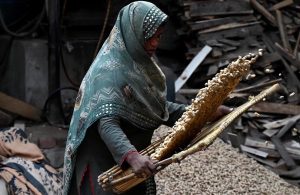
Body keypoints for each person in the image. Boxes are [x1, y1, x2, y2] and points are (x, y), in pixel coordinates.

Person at [63, 1, 231, 195]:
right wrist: (132, 157)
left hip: (130, 164)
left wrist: (207, 112)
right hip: (103, 166)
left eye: (158, 37)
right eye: (148, 37)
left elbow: (158, 108)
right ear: (132, 34)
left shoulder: (139, 66)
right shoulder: (107, 72)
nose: (154, 44)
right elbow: (107, 124)